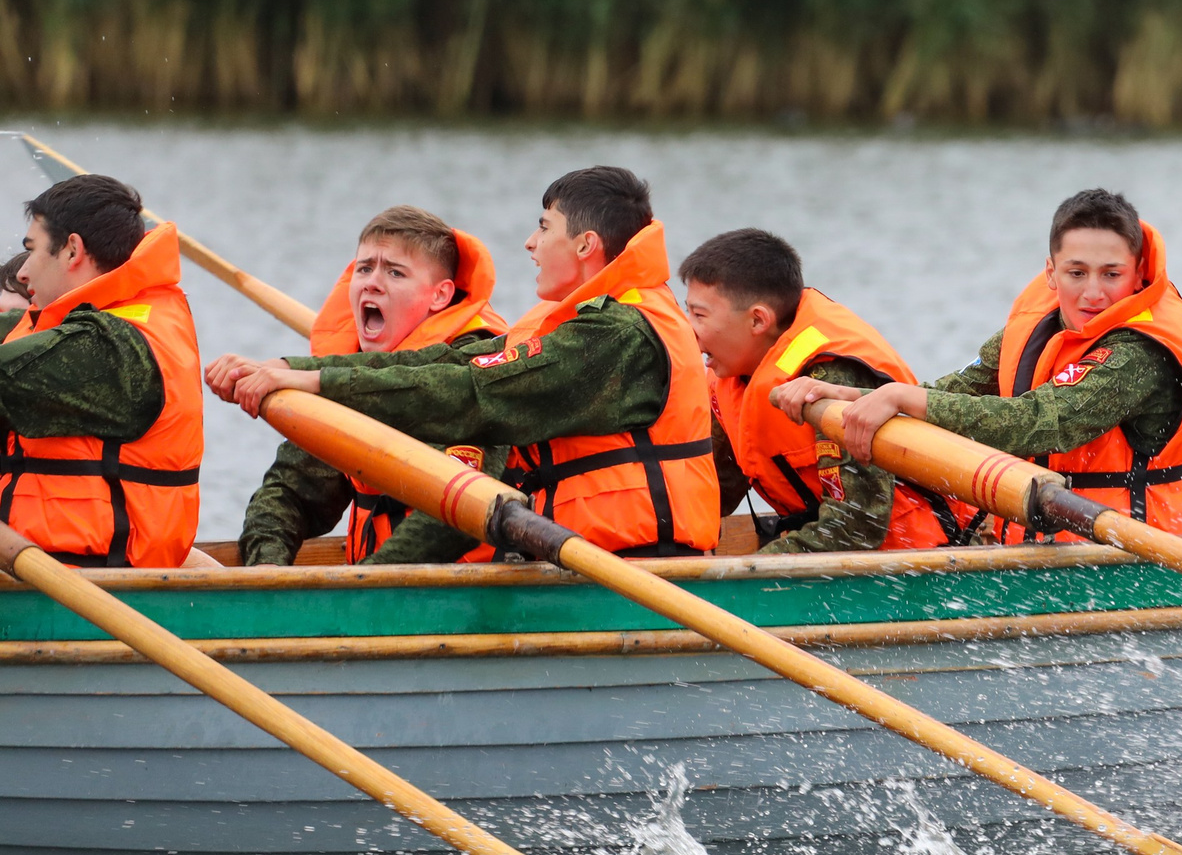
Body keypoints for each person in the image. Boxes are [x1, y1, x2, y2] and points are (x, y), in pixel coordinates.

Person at [207, 167, 719, 563]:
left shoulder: (617, 334)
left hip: (636, 567)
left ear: (586, 245)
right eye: (363, 269)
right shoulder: (562, 324)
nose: (530, 242)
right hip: (578, 566)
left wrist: (367, 595)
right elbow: (445, 363)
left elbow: (474, 393)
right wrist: (294, 370)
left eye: (544, 227)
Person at [777, 188, 1182, 539]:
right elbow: (955, 392)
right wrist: (856, 394)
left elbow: (1038, 422)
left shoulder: (1138, 354)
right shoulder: (1038, 322)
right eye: (1077, 272)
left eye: (1111, 274)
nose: (1093, 293)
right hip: (1051, 547)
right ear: (1051, 273)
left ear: (1138, 273)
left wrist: (900, 397)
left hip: (1138, 553)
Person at [236, 206, 510, 565]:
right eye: (364, 268)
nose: (372, 283)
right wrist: (268, 566)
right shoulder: (347, 373)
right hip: (374, 586)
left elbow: (453, 519)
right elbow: (292, 489)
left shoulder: (474, 368)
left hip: (462, 587)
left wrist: (364, 584)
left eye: (395, 272)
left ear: (440, 295)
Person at [680, 227, 956, 553]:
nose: (688, 329)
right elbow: (714, 492)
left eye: (699, 315)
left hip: (921, 558)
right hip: (824, 551)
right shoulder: (729, 377)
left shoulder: (830, 378)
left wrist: (749, 569)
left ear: (758, 321)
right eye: (687, 312)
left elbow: (858, 526)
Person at [0, 175, 204, 568]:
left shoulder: (112, 349)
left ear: (72, 250)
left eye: (32, 251)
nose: (22, 273)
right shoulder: (95, 320)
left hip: (90, 582)